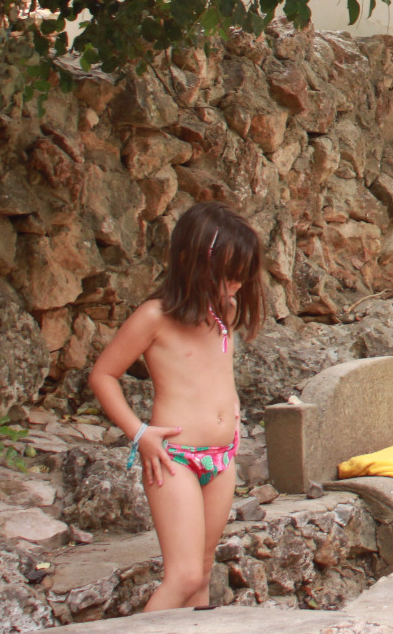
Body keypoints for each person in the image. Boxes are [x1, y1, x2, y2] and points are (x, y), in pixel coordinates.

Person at [90, 202, 265, 612]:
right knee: (183, 576)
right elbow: (103, 375)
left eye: (241, 276)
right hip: (174, 458)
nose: (236, 286)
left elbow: (216, 373)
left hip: (223, 456)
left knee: (202, 574)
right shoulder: (154, 317)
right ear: (192, 262)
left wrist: (232, 412)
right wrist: (139, 432)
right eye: (228, 275)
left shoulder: (224, 312)